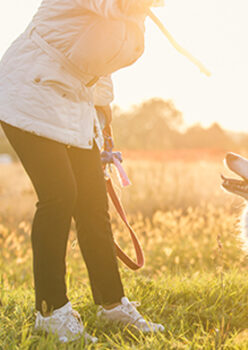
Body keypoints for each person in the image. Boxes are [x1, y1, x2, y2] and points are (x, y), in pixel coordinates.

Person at [0, 0, 164, 343]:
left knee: (92, 204)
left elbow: (102, 63)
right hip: (28, 90)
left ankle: (112, 304)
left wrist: (103, 118)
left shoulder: (138, 13)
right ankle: (51, 312)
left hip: (75, 103)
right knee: (60, 196)